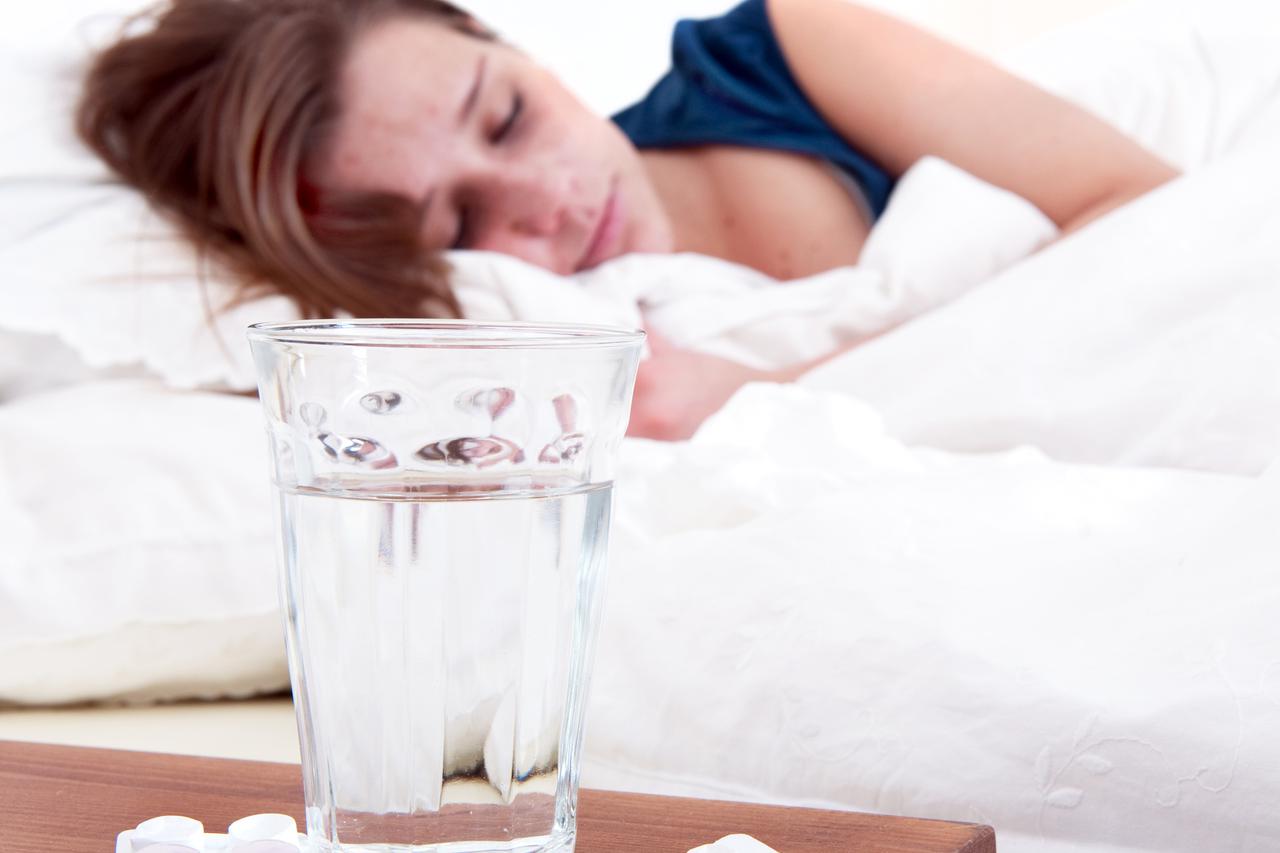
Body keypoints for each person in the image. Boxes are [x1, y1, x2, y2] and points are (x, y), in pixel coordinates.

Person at [77, 0, 1177, 439]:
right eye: (459, 223)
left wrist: (764, 392)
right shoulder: (527, 335)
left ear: (515, 50)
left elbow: (1151, 214)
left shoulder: (783, 53)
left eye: (507, 118)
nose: (549, 202)